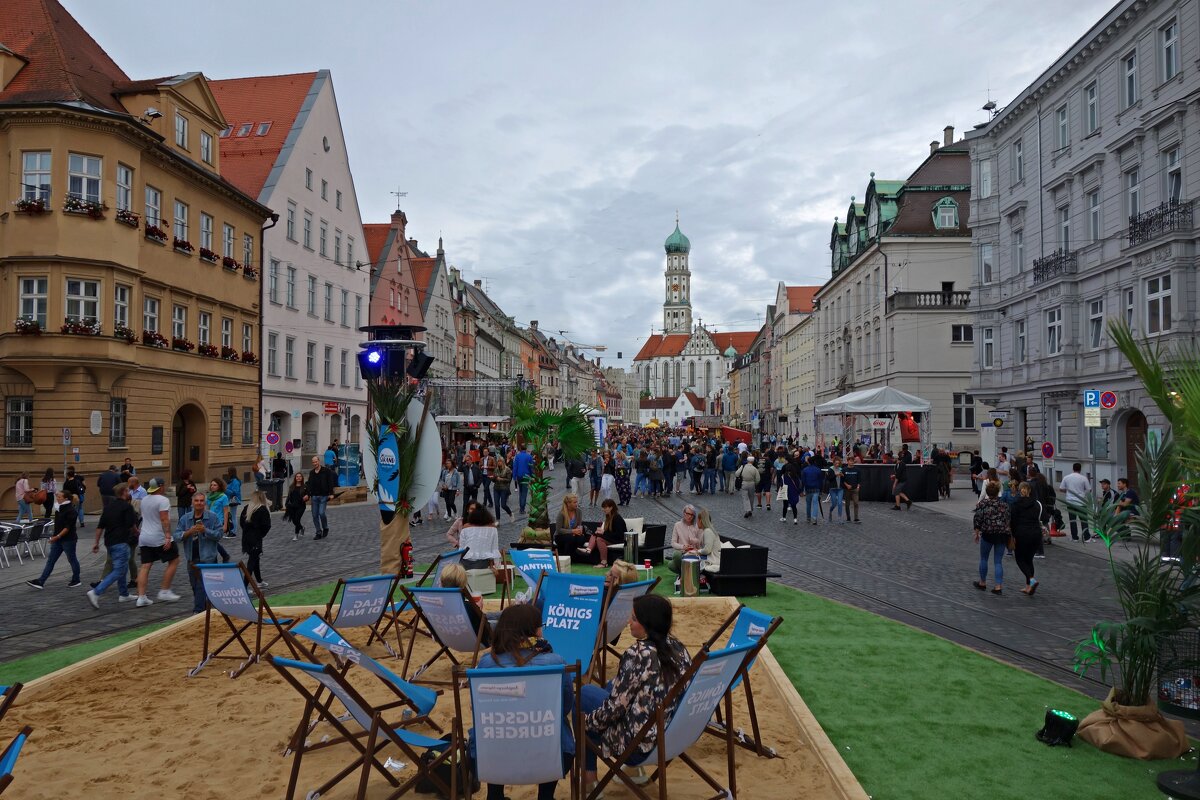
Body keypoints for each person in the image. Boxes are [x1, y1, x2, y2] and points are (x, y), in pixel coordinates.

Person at [581, 594, 691, 794]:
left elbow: (614, 709)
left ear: (647, 623)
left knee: (584, 695)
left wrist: (586, 724)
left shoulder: (638, 654)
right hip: (669, 734)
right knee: (612, 684)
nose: (628, 622)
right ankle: (633, 772)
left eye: (633, 618)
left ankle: (590, 781)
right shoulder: (678, 648)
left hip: (639, 745)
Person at [472, 604, 569, 800]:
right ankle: (546, 796)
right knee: (552, 726)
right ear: (533, 631)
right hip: (548, 752)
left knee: (494, 727)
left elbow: (478, 709)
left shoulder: (486, 663)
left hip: (492, 752)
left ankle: (495, 795)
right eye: (540, 625)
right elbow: (565, 706)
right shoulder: (555, 662)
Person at [86, 483, 137, 608]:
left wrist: (96, 543)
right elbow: (132, 526)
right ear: (124, 492)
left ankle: (123, 594)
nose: (128, 492)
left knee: (123, 568)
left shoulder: (108, 507)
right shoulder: (127, 507)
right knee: (119, 570)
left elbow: (100, 527)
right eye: (127, 490)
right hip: (121, 542)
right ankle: (96, 592)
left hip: (109, 542)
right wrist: (138, 533)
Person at [134, 478, 180, 606]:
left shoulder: (144, 500)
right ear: (160, 487)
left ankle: (141, 597)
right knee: (174, 560)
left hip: (144, 536)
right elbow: (164, 519)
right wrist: (167, 536)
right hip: (158, 536)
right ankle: (164, 590)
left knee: (145, 565)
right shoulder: (163, 500)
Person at [177, 492, 224, 614]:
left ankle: (197, 611)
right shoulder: (185, 518)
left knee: (201, 586)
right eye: (196, 501)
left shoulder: (212, 517)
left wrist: (205, 530)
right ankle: (204, 611)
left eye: (201, 501)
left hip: (208, 559)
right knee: (195, 587)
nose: (199, 503)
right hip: (192, 559)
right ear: (192, 503)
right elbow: (177, 536)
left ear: (205, 503)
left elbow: (219, 535)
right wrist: (189, 532)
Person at [26, 489, 81, 590]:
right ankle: (40, 582)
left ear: (65, 498)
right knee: (51, 560)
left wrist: (57, 536)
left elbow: (67, 528)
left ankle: (76, 580)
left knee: (72, 559)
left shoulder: (71, 510)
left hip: (68, 540)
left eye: (59, 496)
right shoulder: (59, 508)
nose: (57, 497)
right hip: (58, 539)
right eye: (58, 496)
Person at [439, 564, 493, 647]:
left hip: (448, 639)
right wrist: (478, 608)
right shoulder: (468, 607)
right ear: (463, 584)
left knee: (501, 614)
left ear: (441, 583)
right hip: (477, 640)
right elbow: (484, 627)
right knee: (507, 621)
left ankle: (504, 612)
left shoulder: (434, 606)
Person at [972, 481, 1009, 595]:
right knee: (998, 561)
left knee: (984, 558)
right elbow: (1008, 520)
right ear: (998, 492)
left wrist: (977, 533)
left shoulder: (982, 504)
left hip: (988, 534)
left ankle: (983, 582)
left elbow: (977, 519)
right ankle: (998, 586)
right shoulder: (1004, 505)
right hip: (1002, 535)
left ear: (987, 492)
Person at [1011, 482, 1043, 595]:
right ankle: (1028, 586)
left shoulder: (1016, 504)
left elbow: (1013, 522)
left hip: (1022, 533)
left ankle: (1031, 580)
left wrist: (1012, 535)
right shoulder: (1036, 504)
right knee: (1029, 560)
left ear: (1020, 490)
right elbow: (1040, 518)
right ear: (1030, 490)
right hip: (1035, 534)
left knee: (1020, 559)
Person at [580, 498, 627, 568]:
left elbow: (619, 535)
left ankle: (604, 563)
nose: (603, 509)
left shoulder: (617, 518)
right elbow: (610, 533)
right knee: (595, 534)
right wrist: (601, 532)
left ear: (611, 508)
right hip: (613, 538)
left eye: (605, 507)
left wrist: (603, 532)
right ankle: (588, 549)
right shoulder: (609, 517)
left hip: (619, 539)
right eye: (603, 507)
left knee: (599, 539)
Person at [240, 489, 272, 586]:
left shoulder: (247, 508)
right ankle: (244, 585)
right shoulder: (263, 509)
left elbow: (241, 523)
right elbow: (266, 526)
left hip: (246, 538)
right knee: (251, 562)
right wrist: (260, 534)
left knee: (255, 558)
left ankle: (259, 580)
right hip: (256, 539)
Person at [460, 505, 501, 570]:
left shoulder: (465, 528)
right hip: (484, 563)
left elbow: (461, 549)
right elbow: (494, 548)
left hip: (465, 563)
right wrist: (497, 565)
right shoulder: (493, 529)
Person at [1059, 462, 1092, 542]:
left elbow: (1061, 488)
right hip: (1081, 502)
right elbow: (1089, 489)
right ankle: (1087, 537)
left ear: (1073, 468)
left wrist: (1067, 491)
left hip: (1070, 502)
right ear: (1080, 469)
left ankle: (1074, 537)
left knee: (1072, 520)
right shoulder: (1083, 478)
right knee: (1084, 520)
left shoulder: (1066, 477)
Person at [667, 505, 702, 573]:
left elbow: (700, 542)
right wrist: (683, 547)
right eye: (688, 514)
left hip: (694, 554)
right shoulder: (677, 525)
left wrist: (694, 541)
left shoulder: (697, 526)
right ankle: (687, 574)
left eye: (692, 515)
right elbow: (673, 543)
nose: (690, 516)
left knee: (674, 562)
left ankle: (684, 575)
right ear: (684, 513)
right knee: (673, 561)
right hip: (682, 553)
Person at [307, 455, 335, 539]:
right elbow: (309, 484)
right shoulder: (311, 472)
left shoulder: (326, 471)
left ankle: (325, 527)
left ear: (319, 461)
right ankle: (318, 532)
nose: (315, 463)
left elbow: (330, 482)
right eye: (313, 462)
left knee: (321, 513)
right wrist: (308, 494)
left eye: (316, 461)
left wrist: (331, 493)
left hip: (323, 495)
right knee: (314, 515)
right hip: (314, 496)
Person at [695, 508, 722, 575]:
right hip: (713, 559)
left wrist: (698, 551)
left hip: (713, 561)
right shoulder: (709, 530)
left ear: (700, 520)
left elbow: (707, 550)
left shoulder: (708, 531)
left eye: (697, 520)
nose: (696, 522)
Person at [284, 473, 308, 541]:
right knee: (294, 521)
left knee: (297, 519)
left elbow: (308, 495)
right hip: (292, 506)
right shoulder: (292, 486)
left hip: (301, 506)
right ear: (295, 478)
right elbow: (288, 496)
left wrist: (307, 497)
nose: (298, 478)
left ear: (302, 478)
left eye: (300, 476)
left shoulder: (304, 486)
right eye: (297, 476)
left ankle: (296, 535)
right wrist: (286, 504)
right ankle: (302, 528)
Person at [801, 457, 824, 524]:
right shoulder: (818, 470)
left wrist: (802, 490)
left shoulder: (805, 470)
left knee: (808, 504)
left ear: (808, 462)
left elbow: (803, 481)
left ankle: (808, 518)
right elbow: (821, 481)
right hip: (816, 488)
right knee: (815, 504)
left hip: (808, 488)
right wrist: (821, 490)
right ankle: (814, 518)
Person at [513, 445, 534, 514]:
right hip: (526, 476)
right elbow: (531, 467)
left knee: (520, 492)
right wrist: (532, 476)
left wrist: (514, 476)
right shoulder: (529, 456)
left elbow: (515, 466)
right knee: (524, 493)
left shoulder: (517, 456)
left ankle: (521, 507)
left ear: (520, 449)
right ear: (526, 449)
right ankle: (522, 508)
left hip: (519, 475)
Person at [492, 454, 513, 521]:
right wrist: (492, 478)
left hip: (504, 489)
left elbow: (509, 480)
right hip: (496, 488)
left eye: (500, 461)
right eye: (498, 462)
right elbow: (494, 479)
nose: (499, 463)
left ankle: (510, 513)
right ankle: (498, 519)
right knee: (496, 504)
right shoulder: (496, 469)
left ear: (503, 462)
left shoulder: (507, 469)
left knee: (503, 505)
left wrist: (501, 479)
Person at [225, 467, 242, 538]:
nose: (227, 473)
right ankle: (231, 531)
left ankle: (233, 532)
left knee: (233, 516)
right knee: (232, 515)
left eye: (228, 471)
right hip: (231, 500)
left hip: (234, 500)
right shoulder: (232, 480)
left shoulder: (235, 481)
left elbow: (235, 492)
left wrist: (225, 490)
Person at [842, 459, 861, 523]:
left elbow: (859, 479)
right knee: (847, 504)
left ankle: (856, 518)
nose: (852, 462)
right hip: (847, 489)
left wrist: (858, 486)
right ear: (848, 462)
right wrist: (847, 485)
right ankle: (848, 517)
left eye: (853, 461)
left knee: (856, 503)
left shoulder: (857, 470)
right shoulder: (844, 470)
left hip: (855, 489)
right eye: (850, 461)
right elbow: (842, 480)